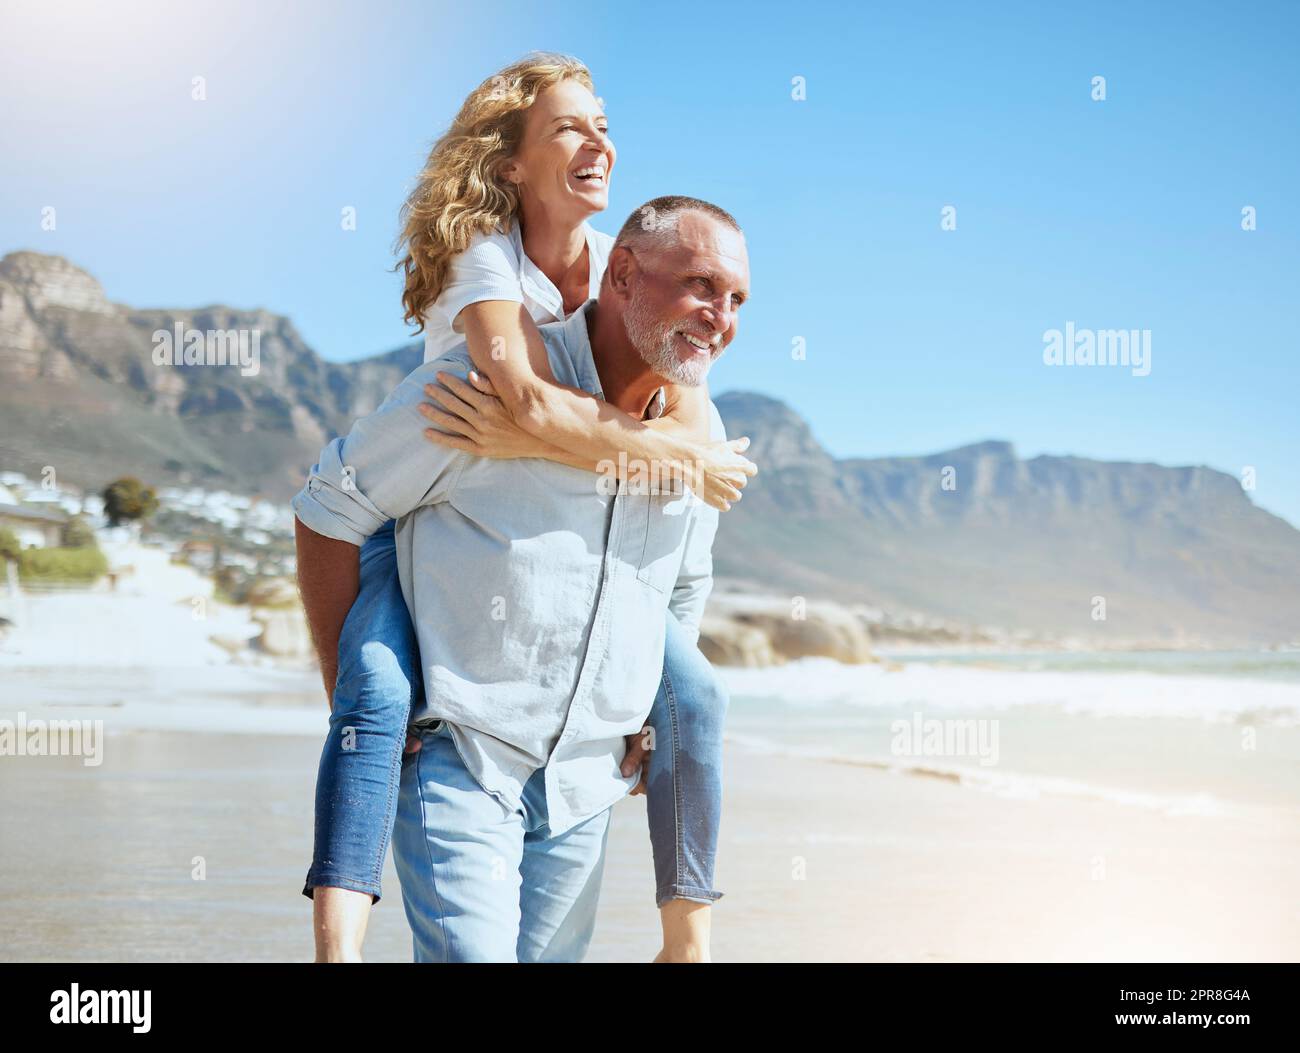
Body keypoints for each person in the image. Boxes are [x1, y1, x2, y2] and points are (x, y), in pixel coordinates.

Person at [300, 53, 755, 963]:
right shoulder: (483, 297)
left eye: (736, 298)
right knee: (378, 686)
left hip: (582, 781)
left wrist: (638, 698)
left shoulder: (664, 372)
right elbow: (528, 403)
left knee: (694, 686)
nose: (719, 315)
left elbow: (680, 573)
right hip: (464, 727)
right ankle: (336, 943)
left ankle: (689, 938)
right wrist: (344, 688)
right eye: (702, 287)